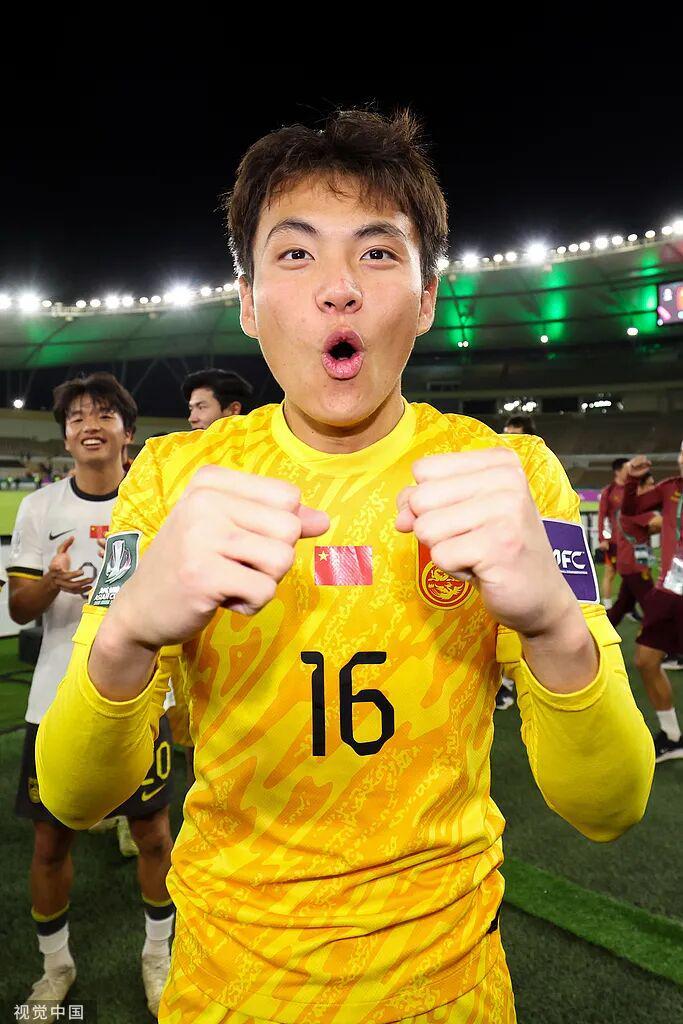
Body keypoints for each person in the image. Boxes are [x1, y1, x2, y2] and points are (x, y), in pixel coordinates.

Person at [37, 109, 653, 1024]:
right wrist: (125, 635)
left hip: (449, 991)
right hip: (226, 988)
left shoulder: (509, 475)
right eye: (295, 254)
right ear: (248, 304)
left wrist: (556, 627)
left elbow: (610, 806)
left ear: (427, 297)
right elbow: (76, 796)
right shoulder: (172, 478)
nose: (338, 289)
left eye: (376, 252)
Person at [9, 372, 175, 1015]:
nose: (89, 425)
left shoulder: (156, 502)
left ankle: (158, 958)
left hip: (143, 701)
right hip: (55, 700)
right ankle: (55, 969)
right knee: (50, 844)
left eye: (104, 414)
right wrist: (51, 584)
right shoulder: (40, 509)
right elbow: (19, 607)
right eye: (77, 417)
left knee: (153, 835)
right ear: (65, 437)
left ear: (128, 433)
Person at [622, 449, 683, 761]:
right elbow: (631, 509)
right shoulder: (670, 488)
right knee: (646, 661)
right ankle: (673, 736)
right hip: (669, 591)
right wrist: (633, 480)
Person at [607, 472, 660, 629]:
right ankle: (662, 642)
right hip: (634, 566)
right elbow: (660, 523)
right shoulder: (634, 508)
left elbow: (651, 528)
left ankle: (599, 634)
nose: (654, 488)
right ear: (639, 487)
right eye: (650, 484)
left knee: (621, 607)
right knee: (653, 607)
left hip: (632, 564)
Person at [597, 457, 630, 609]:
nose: (630, 471)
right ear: (618, 471)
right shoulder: (609, 491)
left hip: (632, 541)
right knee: (610, 573)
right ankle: (608, 607)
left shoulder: (633, 489)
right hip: (615, 542)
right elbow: (602, 516)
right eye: (627, 468)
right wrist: (602, 539)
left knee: (632, 575)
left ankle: (628, 607)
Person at [182, 368, 254, 430]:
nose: (191, 419)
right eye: (191, 409)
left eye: (201, 407)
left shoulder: (257, 440)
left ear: (234, 409)